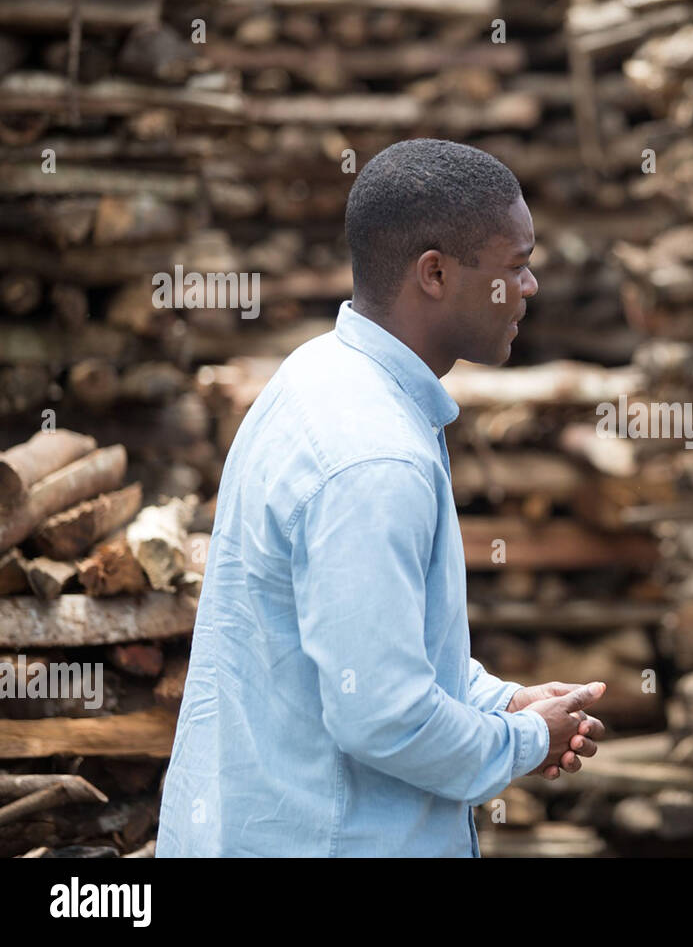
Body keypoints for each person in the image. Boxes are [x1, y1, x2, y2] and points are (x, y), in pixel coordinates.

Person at [157, 139, 607, 857]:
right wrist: (525, 739)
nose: (529, 287)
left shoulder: (318, 377)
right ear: (435, 273)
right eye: (515, 266)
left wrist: (501, 702)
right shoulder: (374, 456)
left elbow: (361, 649)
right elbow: (384, 715)